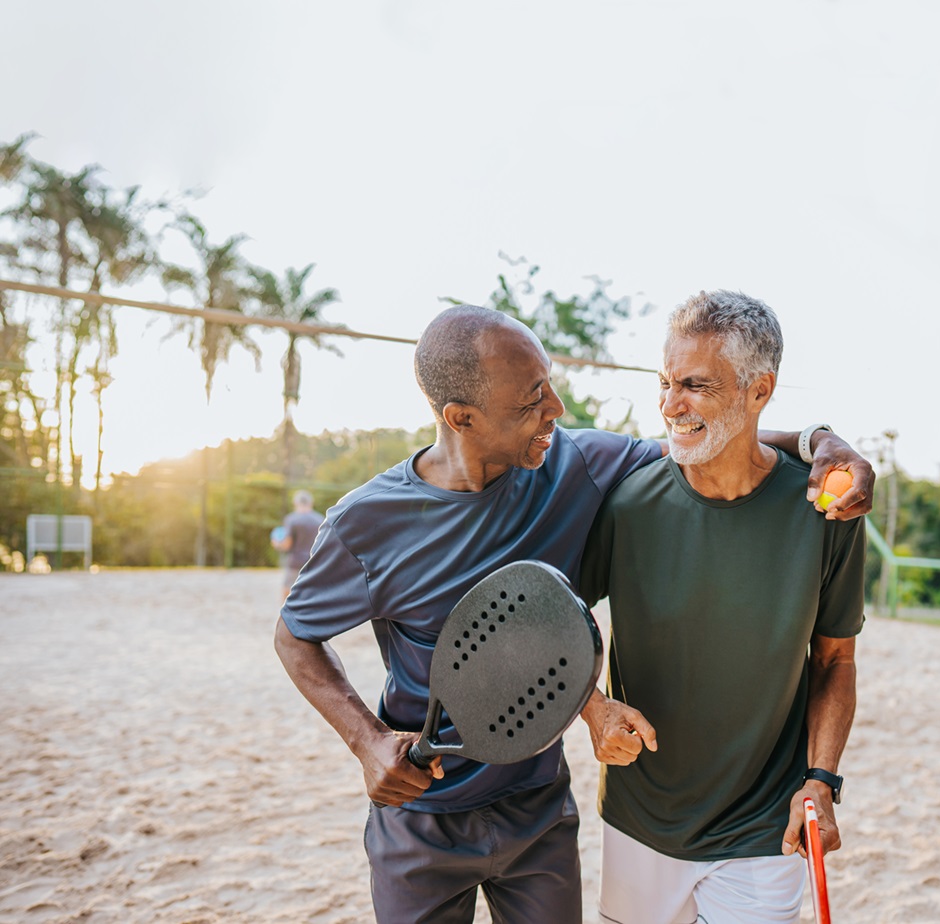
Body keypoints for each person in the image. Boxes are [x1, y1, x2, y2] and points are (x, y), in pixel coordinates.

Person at [273, 304, 872, 924]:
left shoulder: (575, 464)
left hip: (537, 807)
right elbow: (295, 637)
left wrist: (822, 443)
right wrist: (366, 741)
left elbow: (709, 441)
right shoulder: (368, 522)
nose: (556, 409)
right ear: (461, 418)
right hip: (421, 814)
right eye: (533, 399)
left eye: (549, 384)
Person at [578, 289, 866, 924]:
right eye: (665, 382)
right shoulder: (628, 503)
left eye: (696, 386)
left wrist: (822, 779)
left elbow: (836, 661)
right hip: (640, 818)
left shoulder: (826, 509)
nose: (670, 405)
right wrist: (592, 709)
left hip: (766, 826)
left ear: (758, 391)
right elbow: (557, 618)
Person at [271, 489, 325, 599]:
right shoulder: (320, 519)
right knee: (311, 591)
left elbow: (287, 544)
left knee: (287, 588)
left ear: (295, 503)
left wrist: (277, 544)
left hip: (295, 561)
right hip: (313, 561)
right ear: (311, 503)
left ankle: (285, 614)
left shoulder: (291, 519)